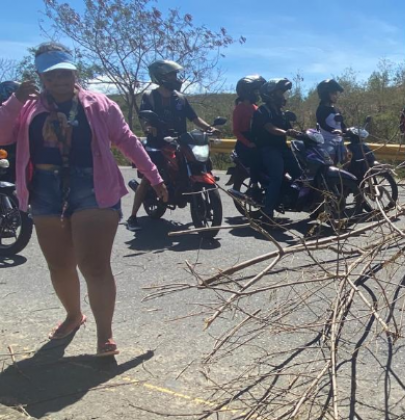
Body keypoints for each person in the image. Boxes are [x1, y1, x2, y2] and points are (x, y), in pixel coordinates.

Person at [0, 42, 168, 356]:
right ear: (40, 77)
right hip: (44, 191)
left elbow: (126, 140)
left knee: (94, 265)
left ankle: (105, 335)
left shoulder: (99, 104)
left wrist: (154, 175)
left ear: (75, 71)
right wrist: (14, 100)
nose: (59, 80)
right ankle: (73, 316)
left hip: (93, 186)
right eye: (51, 76)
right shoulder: (26, 106)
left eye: (65, 72)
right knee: (59, 264)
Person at [126, 59, 217, 231]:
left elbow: (194, 118)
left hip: (179, 140)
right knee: (148, 178)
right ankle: (132, 217)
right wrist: (149, 128)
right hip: (157, 142)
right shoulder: (150, 97)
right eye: (172, 75)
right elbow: (145, 117)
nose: (177, 79)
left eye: (176, 75)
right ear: (161, 77)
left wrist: (210, 128)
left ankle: (185, 187)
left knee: (197, 161)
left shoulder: (180, 99)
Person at [250, 78, 302, 222]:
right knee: (277, 177)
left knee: (300, 174)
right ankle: (267, 213)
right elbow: (270, 128)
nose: (284, 96)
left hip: (282, 147)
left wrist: (300, 133)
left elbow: (288, 128)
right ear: (271, 94)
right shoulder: (262, 111)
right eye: (281, 92)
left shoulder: (281, 112)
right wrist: (286, 132)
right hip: (267, 149)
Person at [232, 74, 266, 189]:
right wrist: (248, 143)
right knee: (256, 158)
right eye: (255, 91)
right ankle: (255, 184)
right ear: (247, 92)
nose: (257, 94)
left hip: (255, 139)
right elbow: (236, 130)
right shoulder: (239, 109)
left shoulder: (255, 107)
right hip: (244, 144)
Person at [316, 79, 347, 164]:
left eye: (337, 94)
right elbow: (322, 124)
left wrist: (347, 131)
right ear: (325, 94)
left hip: (339, 141)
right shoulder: (322, 109)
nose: (336, 96)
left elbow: (342, 124)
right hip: (327, 141)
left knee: (348, 160)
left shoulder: (337, 109)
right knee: (330, 163)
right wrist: (333, 130)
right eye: (334, 93)